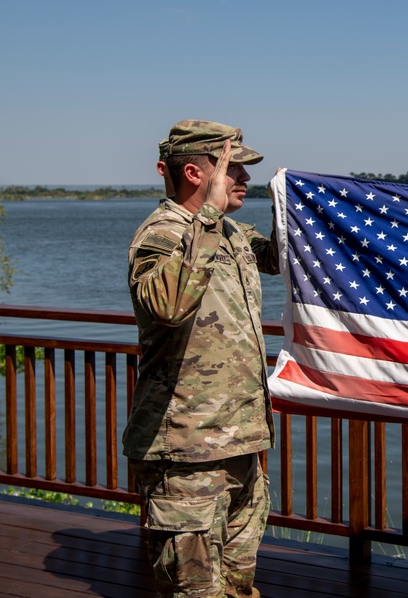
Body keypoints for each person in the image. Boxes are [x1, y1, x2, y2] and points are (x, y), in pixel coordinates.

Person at [124, 119, 280, 598]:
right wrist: (209, 215)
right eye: (234, 170)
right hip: (185, 452)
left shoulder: (232, 233)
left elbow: (279, 257)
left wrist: (297, 205)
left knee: (238, 585)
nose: (245, 180)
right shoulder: (162, 234)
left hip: (240, 441)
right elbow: (168, 305)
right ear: (196, 174)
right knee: (195, 592)